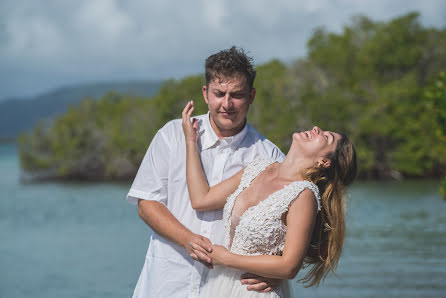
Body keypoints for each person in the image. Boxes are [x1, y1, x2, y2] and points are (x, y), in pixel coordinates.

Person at [126, 46, 285, 298]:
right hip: (167, 283)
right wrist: (187, 238)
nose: (227, 104)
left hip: (230, 289)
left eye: (237, 95)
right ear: (205, 93)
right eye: (219, 93)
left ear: (252, 96)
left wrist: (278, 269)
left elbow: (292, 225)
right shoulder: (171, 136)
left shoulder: (270, 157)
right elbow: (147, 204)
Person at [181, 101, 357, 297]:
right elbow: (201, 199)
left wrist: (226, 258)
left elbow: (289, 266)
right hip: (222, 286)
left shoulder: (303, 194)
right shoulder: (258, 168)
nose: (316, 129)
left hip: (255, 291)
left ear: (324, 161)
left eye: (326, 137)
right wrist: (190, 141)